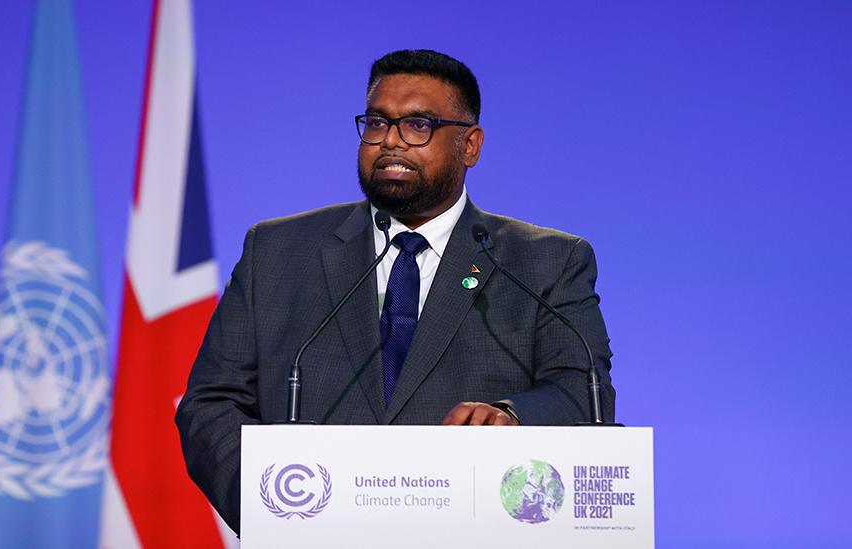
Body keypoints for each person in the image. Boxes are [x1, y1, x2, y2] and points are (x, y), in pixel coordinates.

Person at [175, 49, 614, 534]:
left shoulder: (544, 261)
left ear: (470, 145)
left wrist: (511, 415)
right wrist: (277, 509)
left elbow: (582, 393)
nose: (390, 142)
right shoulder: (276, 251)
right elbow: (210, 405)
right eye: (377, 124)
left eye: (418, 126)